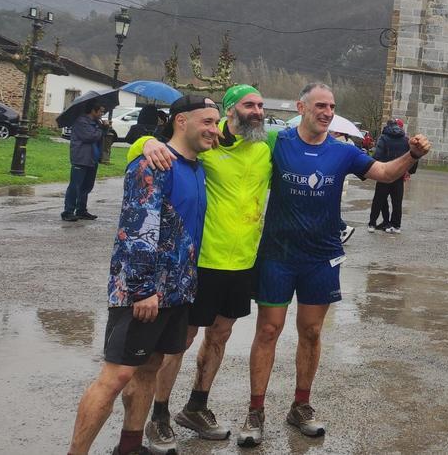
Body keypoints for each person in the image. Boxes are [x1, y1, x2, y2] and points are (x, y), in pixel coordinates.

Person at [238, 82, 430, 446]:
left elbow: (387, 173)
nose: (327, 113)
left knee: (311, 332)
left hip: (321, 256)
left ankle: (301, 406)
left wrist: (412, 155)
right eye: (320, 106)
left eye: (332, 107)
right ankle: (256, 411)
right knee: (268, 331)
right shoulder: (277, 142)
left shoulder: (342, 152)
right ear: (301, 107)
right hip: (277, 254)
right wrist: (154, 142)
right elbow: (231, 137)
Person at [66, 96, 220, 455]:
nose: (215, 129)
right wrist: (141, 289)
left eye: (217, 122)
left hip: (178, 291)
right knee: (115, 375)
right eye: (208, 121)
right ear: (181, 121)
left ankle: (130, 446)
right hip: (145, 291)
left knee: (149, 368)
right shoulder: (153, 165)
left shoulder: (195, 167)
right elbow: (137, 229)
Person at [130, 85, 276, 453]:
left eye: (261, 105)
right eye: (249, 104)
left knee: (220, 335)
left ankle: (196, 406)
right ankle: (159, 415)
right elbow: (155, 147)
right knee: (181, 340)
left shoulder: (265, 148)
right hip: (203, 260)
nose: (257, 110)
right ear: (230, 110)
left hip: (242, 261)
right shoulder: (208, 147)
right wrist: (146, 142)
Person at [63, 101, 109, 222]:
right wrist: (102, 128)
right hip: (81, 158)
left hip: (92, 158)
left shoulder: (96, 122)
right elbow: (89, 136)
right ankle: (68, 211)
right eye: (101, 111)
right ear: (93, 110)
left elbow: (99, 136)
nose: (102, 114)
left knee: (87, 186)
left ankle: (81, 210)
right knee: (75, 186)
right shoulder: (81, 121)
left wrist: (103, 128)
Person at [368, 118, 415, 234]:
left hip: (384, 173)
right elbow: (411, 157)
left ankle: (372, 224)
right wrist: (410, 170)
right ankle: (396, 225)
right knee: (397, 202)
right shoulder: (406, 140)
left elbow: (377, 155)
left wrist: (371, 166)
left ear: (388, 127)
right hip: (399, 175)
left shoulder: (384, 138)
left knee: (378, 200)